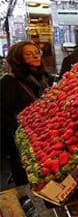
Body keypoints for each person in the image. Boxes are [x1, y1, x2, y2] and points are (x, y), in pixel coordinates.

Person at [0, 41, 52, 187]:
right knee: (25, 180)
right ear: (18, 59)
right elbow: (5, 116)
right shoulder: (8, 82)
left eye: (37, 52)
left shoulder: (44, 79)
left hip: (44, 139)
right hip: (22, 142)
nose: (35, 56)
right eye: (28, 54)